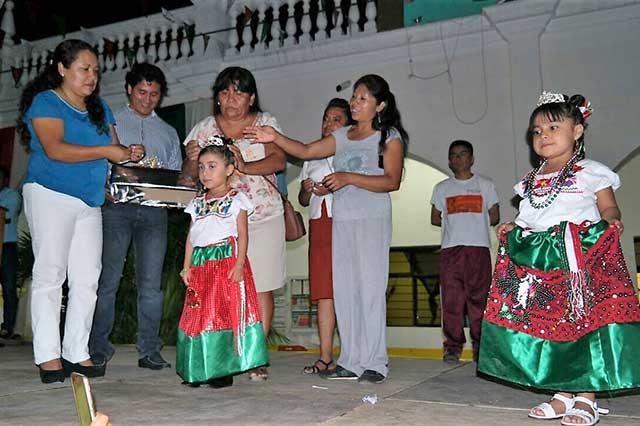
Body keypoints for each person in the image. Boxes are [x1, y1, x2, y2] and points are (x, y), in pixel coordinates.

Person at [478, 92, 640, 426]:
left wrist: (611, 220)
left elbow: (608, 205)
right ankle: (562, 394)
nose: (544, 136)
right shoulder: (532, 181)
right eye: (536, 131)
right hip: (544, 264)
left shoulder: (590, 171)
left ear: (577, 130)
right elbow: (529, 216)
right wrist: (514, 227)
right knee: (552, 326)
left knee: (585, 325)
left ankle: (587, 397)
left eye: (553, 126)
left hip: (580, 261)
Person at [245, 74, 409, 384]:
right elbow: (306, 151)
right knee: (344, 290)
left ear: (380, 105)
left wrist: (348, 178)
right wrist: (274, 137)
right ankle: (350, 360)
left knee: (369, 290)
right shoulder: (343, 136)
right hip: (342, 221)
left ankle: (375, 361)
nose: (355, 103)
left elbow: (391, 181)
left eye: (362, 98)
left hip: (372, 219)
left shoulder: (390, 136)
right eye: (354, 97)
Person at [16, 39, 144, 383]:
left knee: (88, 279)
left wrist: (127, 153)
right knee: (50, 275)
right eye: (84, 69)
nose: (92, 76)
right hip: (49, 193)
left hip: (89, 200)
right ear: (62, 68)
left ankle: (77, 351)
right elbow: (55, 149)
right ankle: (48, 356)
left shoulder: (100, 107)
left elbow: (114, 150)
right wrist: (107, 149)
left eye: (96, 70)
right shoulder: (46, 102)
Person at [183, 66, 286, 381]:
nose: (231, 98)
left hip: (262, 214)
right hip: (218, 225)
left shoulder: (265, 123)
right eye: (225, 91)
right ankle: (223, 355)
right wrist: (191, 158)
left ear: (251, 97)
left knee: (262, 285)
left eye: (239, 92)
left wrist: (245, 165)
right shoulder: (202, 128)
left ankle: (255, 357)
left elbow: (280, 161)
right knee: (219, 289)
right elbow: (190, 174)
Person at [90, 63, 181, 371]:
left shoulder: (168, 132)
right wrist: (104, 188)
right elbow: (98, 160)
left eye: (154, 94)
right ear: (129, 89)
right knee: (108, 280)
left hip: (155, 212)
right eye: (142, 92)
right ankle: (98, 348)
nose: (147, 99)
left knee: (151, 284)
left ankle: (150, 350)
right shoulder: (109, 121)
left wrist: (170, 191)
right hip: (115, 208)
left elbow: (174, 175)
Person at [177, 140, 269, 388]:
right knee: (197, 314)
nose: (205, 173)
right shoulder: (197, 202)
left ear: (229, 169)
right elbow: (191, 237)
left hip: (225, 261)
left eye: (212, 166)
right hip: (200, 263)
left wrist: (239, 264)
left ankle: (220, 370)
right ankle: (196, 369)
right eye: (202, 167)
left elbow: (242, 234)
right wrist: (187, 266)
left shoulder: (236, 198)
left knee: (219, 315)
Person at [430, 140, 499, 364]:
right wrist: (456, 225)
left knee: (479, 301)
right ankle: (452, 348)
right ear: (450, 161)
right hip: (451, 251)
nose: (458, 158)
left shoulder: (485, 184)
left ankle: (482, 349)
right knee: (451, 301)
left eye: (463, 154)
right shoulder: (442, 188)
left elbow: (495, 216)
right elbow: (434, 217)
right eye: (454, 155)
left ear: (471, 158)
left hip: (478, 249)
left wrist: (470, 222)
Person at [298, 98, 352, 375]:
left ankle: (354, 355)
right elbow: (302, 198)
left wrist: (334, 188)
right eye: (326, 118)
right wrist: (308, 189)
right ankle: (325, 356)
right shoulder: (312, 154)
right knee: (324, 293)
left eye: (336, 119)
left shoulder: (353, 152)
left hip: (346, 224)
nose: (328, 124)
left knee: (348, 289)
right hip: (320, 225)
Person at [0, 166, 22, 340]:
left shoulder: (11, 196)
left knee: (8, 288)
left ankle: (8, 327)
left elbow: (6, 215)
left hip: (7, 246)